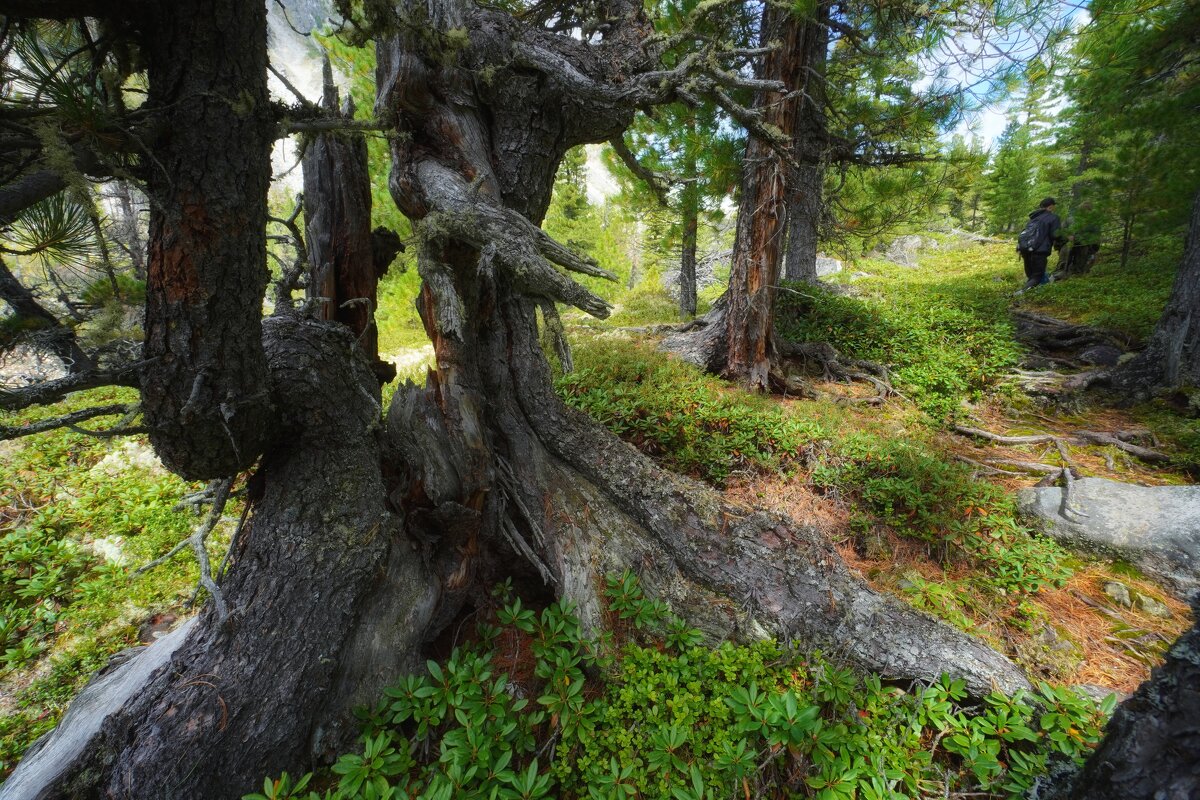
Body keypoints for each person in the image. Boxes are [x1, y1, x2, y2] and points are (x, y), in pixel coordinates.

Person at [1017, 197, 1062, 291]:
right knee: (1037, 276)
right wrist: (1065, 239)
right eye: (1053, 206)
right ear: (1050, 206)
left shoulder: (1033, 218)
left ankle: (1031, 294)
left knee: (1031, 275)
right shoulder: (1053, 218)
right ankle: (1021, 293)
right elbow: (1055, 235)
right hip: (1040, 251)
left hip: (1026, 250)